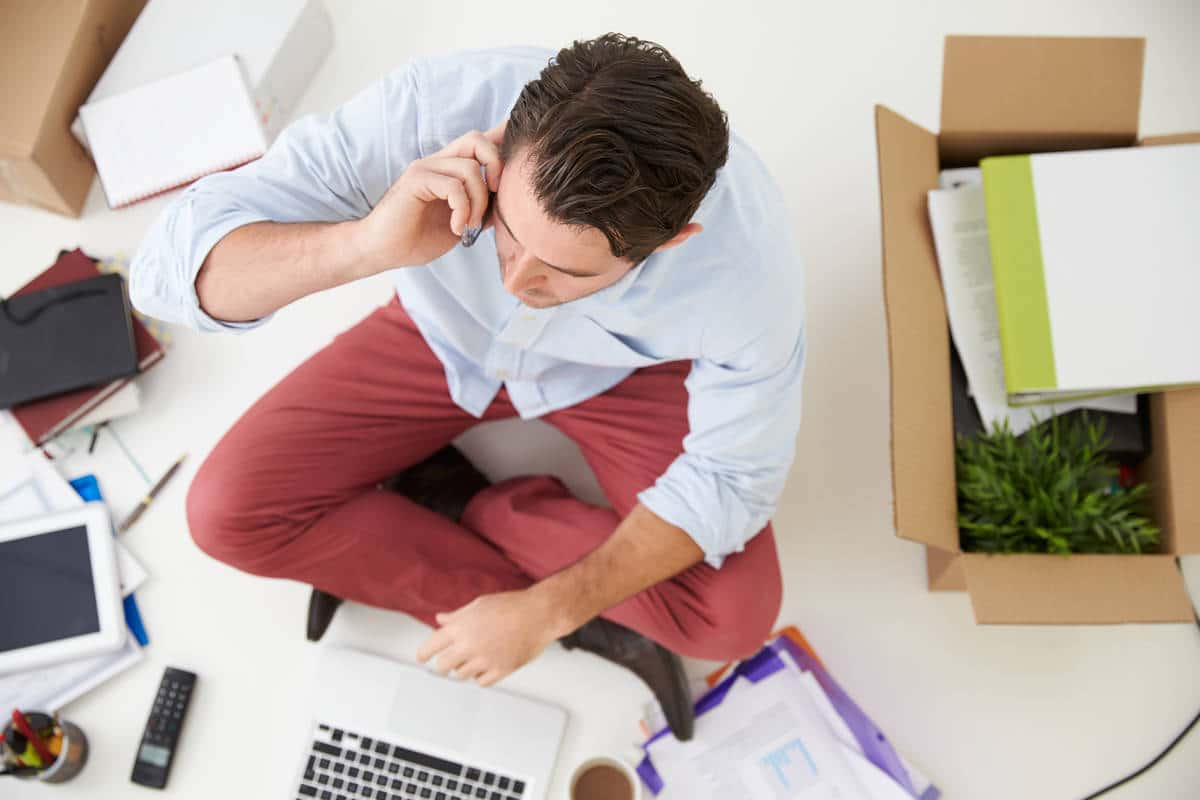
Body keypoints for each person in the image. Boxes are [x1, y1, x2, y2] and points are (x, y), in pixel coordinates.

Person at [131, 33, 805, 741]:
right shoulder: (435, 107)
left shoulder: (745, 268)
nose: (515, 283)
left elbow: (734, 477)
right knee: (225, 513)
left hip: (614, 376)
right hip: (438, 338)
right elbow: (164, 273)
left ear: (668, 243)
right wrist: (364, 243)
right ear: (504, 142)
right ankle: (575, 617)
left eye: (566, 271)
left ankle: (464, 501)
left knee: (732, 618)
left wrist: (550, 610)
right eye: (506, 232)